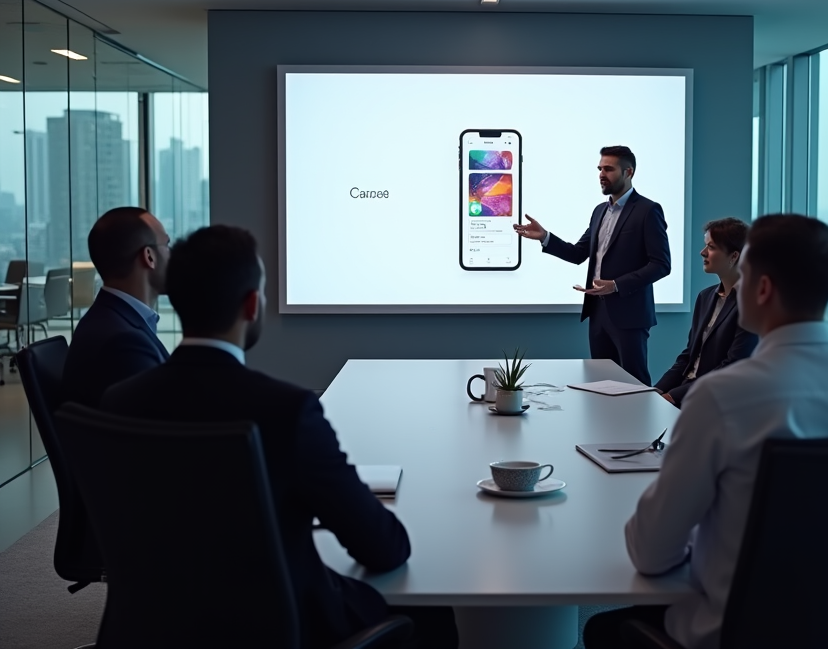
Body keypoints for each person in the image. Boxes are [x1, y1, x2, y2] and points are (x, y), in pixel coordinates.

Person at [102, 226, 457, 649]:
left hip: (152, 623)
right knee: (435, 612)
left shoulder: (118, 401)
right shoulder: (286, 410)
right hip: (278, 628)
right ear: (252, 304)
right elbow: (384, 548)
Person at [583, 214, 828, 649]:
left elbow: (651, 554)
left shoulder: (722, 399)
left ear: (761, 289)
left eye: (742, 274)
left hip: (739, 634)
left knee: (603, 631)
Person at [513, 146, 670, 385]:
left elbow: (661, 264)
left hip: (630, 315)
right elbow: (577, 253)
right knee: (601, 384)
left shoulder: (648, 211)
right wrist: (545, 237)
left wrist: (616, 285)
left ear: (629, 172)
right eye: (599, 168)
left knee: (634, 385)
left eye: (608, 169)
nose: (601, 174)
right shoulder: (599, 212)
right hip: (597, 314)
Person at [60, 207, 171, 409]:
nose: (172, 256)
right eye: (167, 245)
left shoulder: (110, 321)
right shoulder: (123, 342)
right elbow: (164, 424)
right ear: (149, 256)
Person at [654, 217, 757, 407]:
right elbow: (688, 356)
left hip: (717, 399)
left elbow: (732, 367)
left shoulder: (751, 303)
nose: (702, 253)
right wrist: (656, 391)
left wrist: (673, 396)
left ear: (734, 257)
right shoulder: (706, 296)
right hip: (689, 390)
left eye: (711, 247)